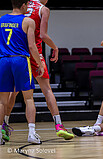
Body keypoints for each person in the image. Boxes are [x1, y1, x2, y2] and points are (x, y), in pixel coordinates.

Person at [2, 0, 74, 142]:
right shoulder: (43, 9)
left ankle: (4, 125)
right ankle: (58, 125)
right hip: (32, 54)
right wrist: (55, 47)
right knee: (46, 90)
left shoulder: (24, 5)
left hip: (14, 53)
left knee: (12, 93)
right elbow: (42, 36)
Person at [0, 0, 45, 145]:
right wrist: (40, 64)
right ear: (24, 5)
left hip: (3, 60)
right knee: (29, 99)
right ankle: (31, 133)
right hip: (20, 60)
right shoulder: (28, 21)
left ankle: (0, 134)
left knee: (2, 101)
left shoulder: (1, 20)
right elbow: (32, 46)